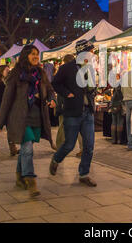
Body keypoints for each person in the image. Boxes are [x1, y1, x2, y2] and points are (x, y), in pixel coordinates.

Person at [0, 45, 56, 197]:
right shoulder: (16, 74)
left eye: (37, 54)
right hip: (19, 118)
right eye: (32, 54)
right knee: (27, 148)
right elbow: (6, 100)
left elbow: (49, 90)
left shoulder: (40, 73)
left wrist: (51, 99)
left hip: (36, 117)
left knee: (26, 149)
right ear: (25, 55)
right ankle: (31, 181)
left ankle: (19, 177)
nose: (36, 56)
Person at [49, 39, 97, 187]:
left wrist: (92, 93)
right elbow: (55, 83)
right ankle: (56, 159)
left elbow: (92, 87)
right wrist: (66, 93)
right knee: (69, 144)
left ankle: (84, 174)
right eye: (91, 50)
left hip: (87, 112)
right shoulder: (67, 68)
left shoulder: (90, 68)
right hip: (72, 112)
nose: (93, 53)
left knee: (89, 146)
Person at [110, 74, 125, 144]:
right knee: (119, 122)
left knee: (114, 122)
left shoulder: (115, 85)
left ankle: (113, 140)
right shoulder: (122, 85)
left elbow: (113, 97)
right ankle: (118, 140)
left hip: (114, 105)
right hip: (119, 105)